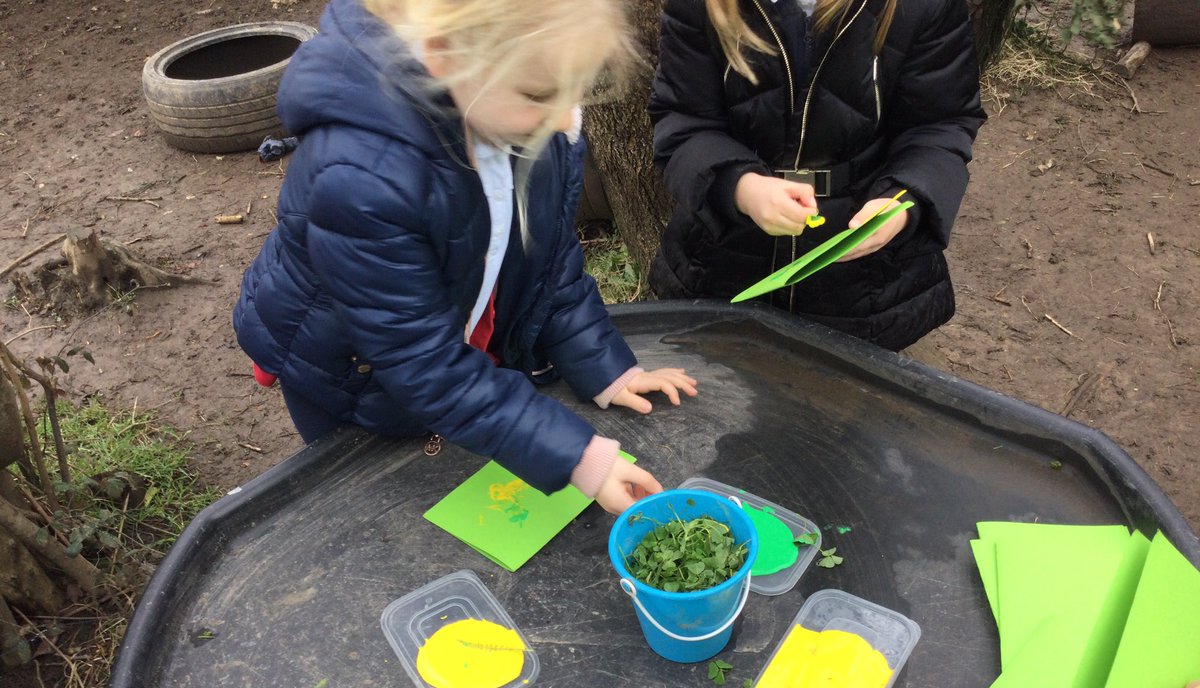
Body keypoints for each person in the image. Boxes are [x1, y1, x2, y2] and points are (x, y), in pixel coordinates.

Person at [234, 0, 697, 514]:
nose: (565, 116)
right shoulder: (363, 177)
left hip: (452, 340)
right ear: (445, 55)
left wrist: (606, 368)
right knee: (377, 503)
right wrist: (581, 458)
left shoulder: (516, 115)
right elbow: (421, 360)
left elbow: (549, 265)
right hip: (349, 371)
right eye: (541, 94)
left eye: (577, 88)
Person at [648, 0, 987, 351]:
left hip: (865, 290)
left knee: (847, 383)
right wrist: (740, 187)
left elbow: (938, 127)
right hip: (720, 269)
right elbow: (683, 121)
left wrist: (902, 203)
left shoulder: (922, 7)